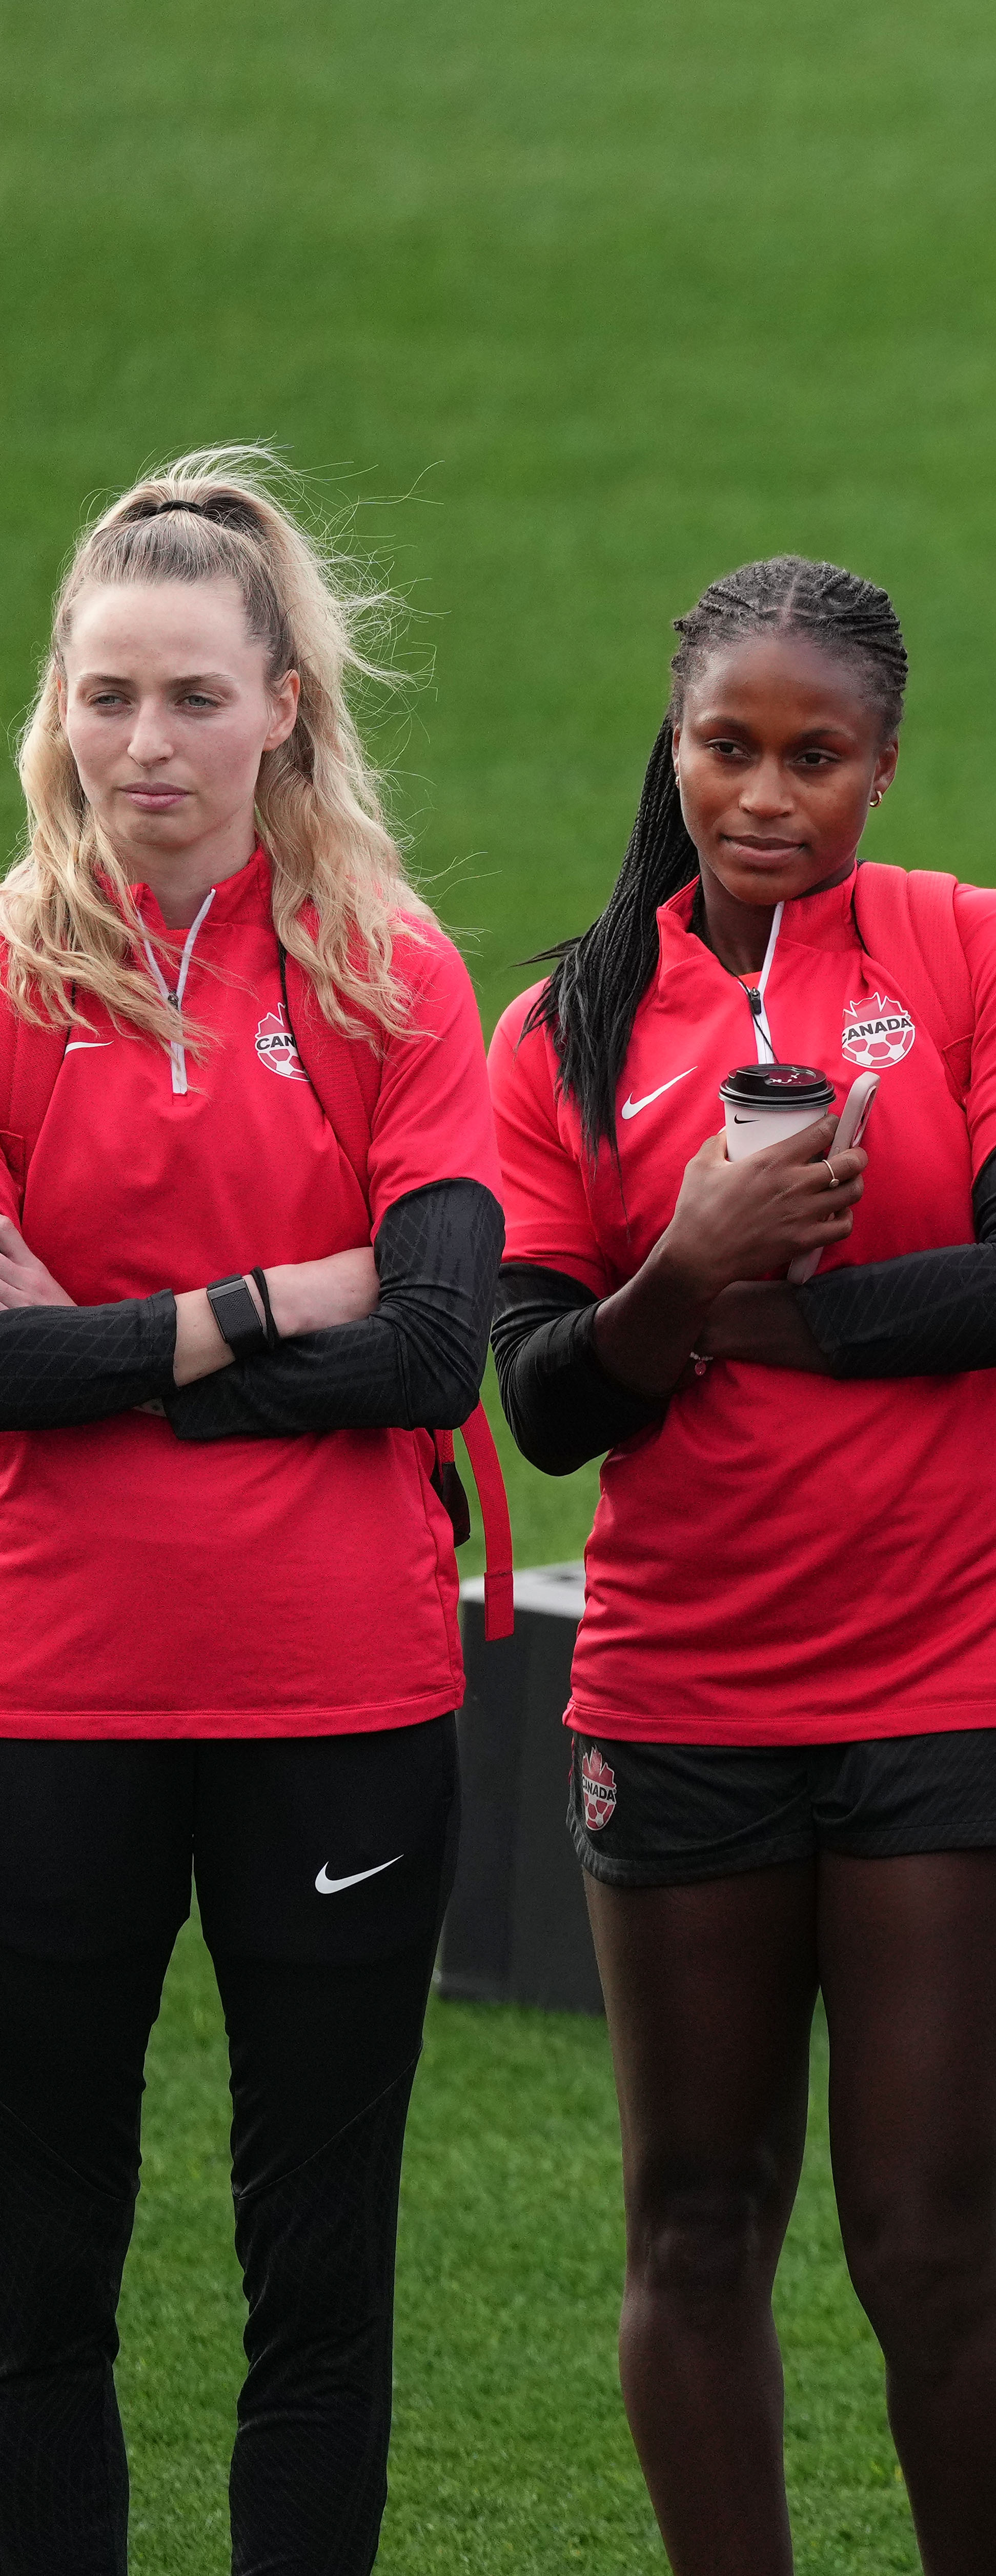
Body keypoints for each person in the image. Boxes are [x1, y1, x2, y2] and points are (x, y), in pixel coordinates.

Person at [485, 558, 996, 2576]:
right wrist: (690, 1265)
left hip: (949, 1681)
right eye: (727, 747)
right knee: (690, 2216)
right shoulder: (565, 1029)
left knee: (927, 2241)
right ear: (675, 753)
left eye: (813, 754)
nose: (766, 792)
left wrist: (773, 1319)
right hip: (681, 1699)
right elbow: (548, 1401)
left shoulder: (991, 956)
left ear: (886, 762)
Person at [0, 451, 499, 2576]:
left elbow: (437, 1350)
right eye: (106, 696)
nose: (145, 745)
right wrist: (264, 1304)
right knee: (31, 2263)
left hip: (336, 1698)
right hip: (50, 1704)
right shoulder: (10, 979)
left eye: (193, 697)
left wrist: (112, 1352)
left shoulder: (394, 977)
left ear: (283, 703)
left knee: (317, 2261)